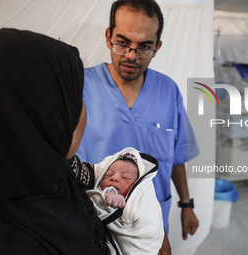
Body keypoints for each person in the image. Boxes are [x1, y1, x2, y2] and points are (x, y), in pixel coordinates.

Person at [77, 0, 200, 239]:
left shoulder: (168, 91)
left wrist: (186, 205)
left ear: (157, 47)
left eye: (144, 47)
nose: (132, 56)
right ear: (108, 36)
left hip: (151, 225)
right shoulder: (80, 87)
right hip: (92, 222)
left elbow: (175, 156)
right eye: (122, 43)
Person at [0, 28, 109, 254]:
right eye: (76, 98)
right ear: (41, 115)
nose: (83, 110)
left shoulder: (53, 171)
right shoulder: (16, 241)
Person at [87, 147, 164, 255]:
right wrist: (105, 195)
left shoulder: (141, 203)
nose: (114, 178)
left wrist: (105, 200)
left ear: (137, 187)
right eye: (108, 175)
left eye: (126, 178)